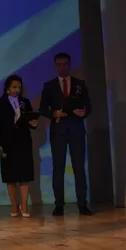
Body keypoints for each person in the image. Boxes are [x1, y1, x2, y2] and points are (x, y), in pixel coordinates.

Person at [39, 52, 93, 216]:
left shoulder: (79, 84)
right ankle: (59, 205)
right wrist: (54, 113)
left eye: (65, 64)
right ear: (55, 66)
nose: (62, 67)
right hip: (58, 130)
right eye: (59, 64)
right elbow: (42, 109)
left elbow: (88, 105)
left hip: (76, 129)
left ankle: (82, 204)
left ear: (69, 65)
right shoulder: (49, 86)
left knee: (79, 168)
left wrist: (84, 112)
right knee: (58, 168)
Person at [0, 75, 38, 218]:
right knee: (10, 176)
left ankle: (24, 206)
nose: (17, 90)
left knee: (25, 175)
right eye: (14, 87)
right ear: (7, 88)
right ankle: (14, 205)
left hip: (23, 142)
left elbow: (31, 120)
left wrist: (33, 124)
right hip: (7, 143)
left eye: (19, 87)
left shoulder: (25, 102)